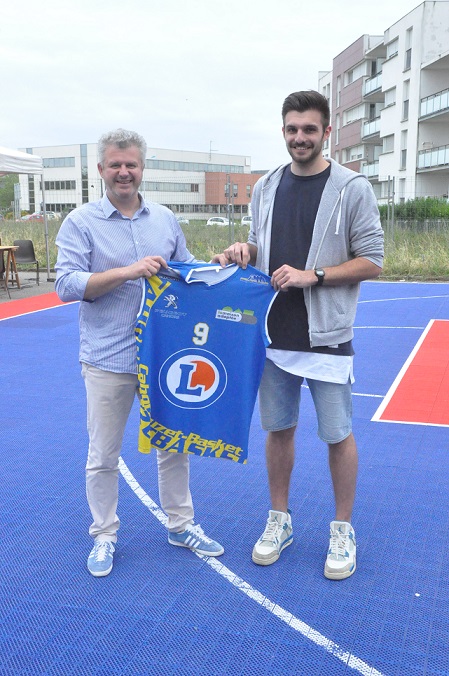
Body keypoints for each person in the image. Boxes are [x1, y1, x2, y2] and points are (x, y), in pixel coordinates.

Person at [212, 91, 384, 580]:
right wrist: (240, 250)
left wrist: (316, 274)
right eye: (292, 129)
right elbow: (258, 241)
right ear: (283, 131)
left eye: (309, 129)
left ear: (326, 132)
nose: (299, 138)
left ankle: (342, 528)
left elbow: (372, 259)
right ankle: (279, 519)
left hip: (326, 333)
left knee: (337, 434)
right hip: (272, 333)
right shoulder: (266, 185)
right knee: (278, 429)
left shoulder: (352, 188)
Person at [55, 128, 223, 577]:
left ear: (141, 168)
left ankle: (181, 525)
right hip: (108, 358)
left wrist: (223, 268)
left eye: (131, 164)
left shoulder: (165, 219)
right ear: (101, 170)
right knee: (103, 454)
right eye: (115, 164)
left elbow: (184, 273)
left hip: (164, 357)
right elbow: (66, 284)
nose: (124, 172)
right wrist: (127, 272)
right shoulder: (81, 222)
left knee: (173, 448)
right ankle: (104, 534)